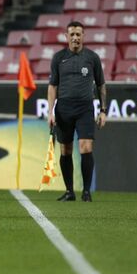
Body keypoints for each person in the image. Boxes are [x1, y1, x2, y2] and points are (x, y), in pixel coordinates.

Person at [46, 21, 107, 202]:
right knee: (65, 150)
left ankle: (86, 192)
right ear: (66, 37)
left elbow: (101, 85)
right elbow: (52, 86)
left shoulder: (92, 58)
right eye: (71, 34)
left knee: (86, 147)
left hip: (85, 107)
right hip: (63, 108)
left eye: (78, 34)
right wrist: (50, 112)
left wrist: (103, 110)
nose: (75, 38)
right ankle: (69, 191)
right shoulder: (58, 58)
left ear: (83, 36)